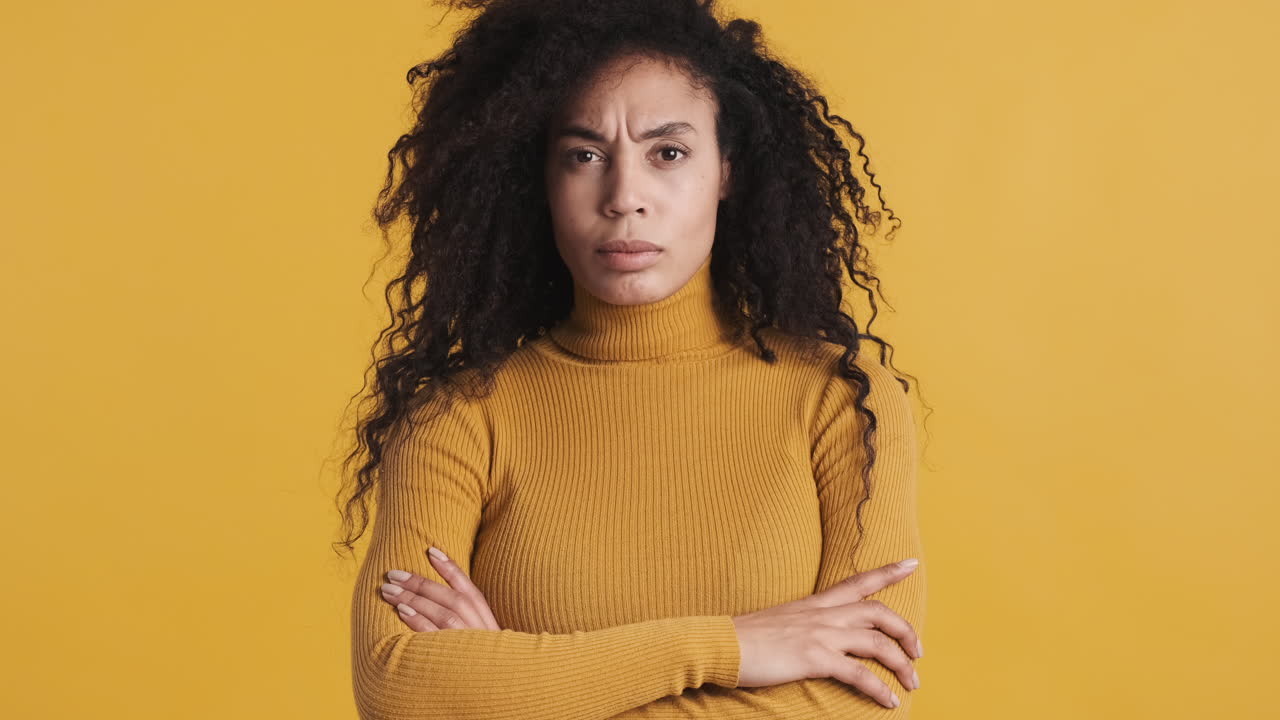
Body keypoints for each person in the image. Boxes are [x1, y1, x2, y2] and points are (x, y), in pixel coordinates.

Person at [333, 0, 930, 717]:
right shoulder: (458, 418)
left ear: (727, 171)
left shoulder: (841, 399)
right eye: (584, 156)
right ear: (538, 178)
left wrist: (518, 686)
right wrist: (732, 647)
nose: (624, 198)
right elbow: (398, 688)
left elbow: (860, 699)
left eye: (667, 153)